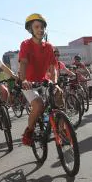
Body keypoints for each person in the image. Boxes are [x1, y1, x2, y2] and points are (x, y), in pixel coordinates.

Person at [17, 13, 62, 146]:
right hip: (28, 83)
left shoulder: (48, 46)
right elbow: (23, 63)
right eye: (37, 27)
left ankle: (62, 127)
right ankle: (29, 131)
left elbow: (53, 67)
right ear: (31, 29)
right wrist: (24, 80)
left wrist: (55, 83)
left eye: (42, 27)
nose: (40, 29)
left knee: (58, 95)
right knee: (38, 105)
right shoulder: (25, 44)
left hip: (43, 81)